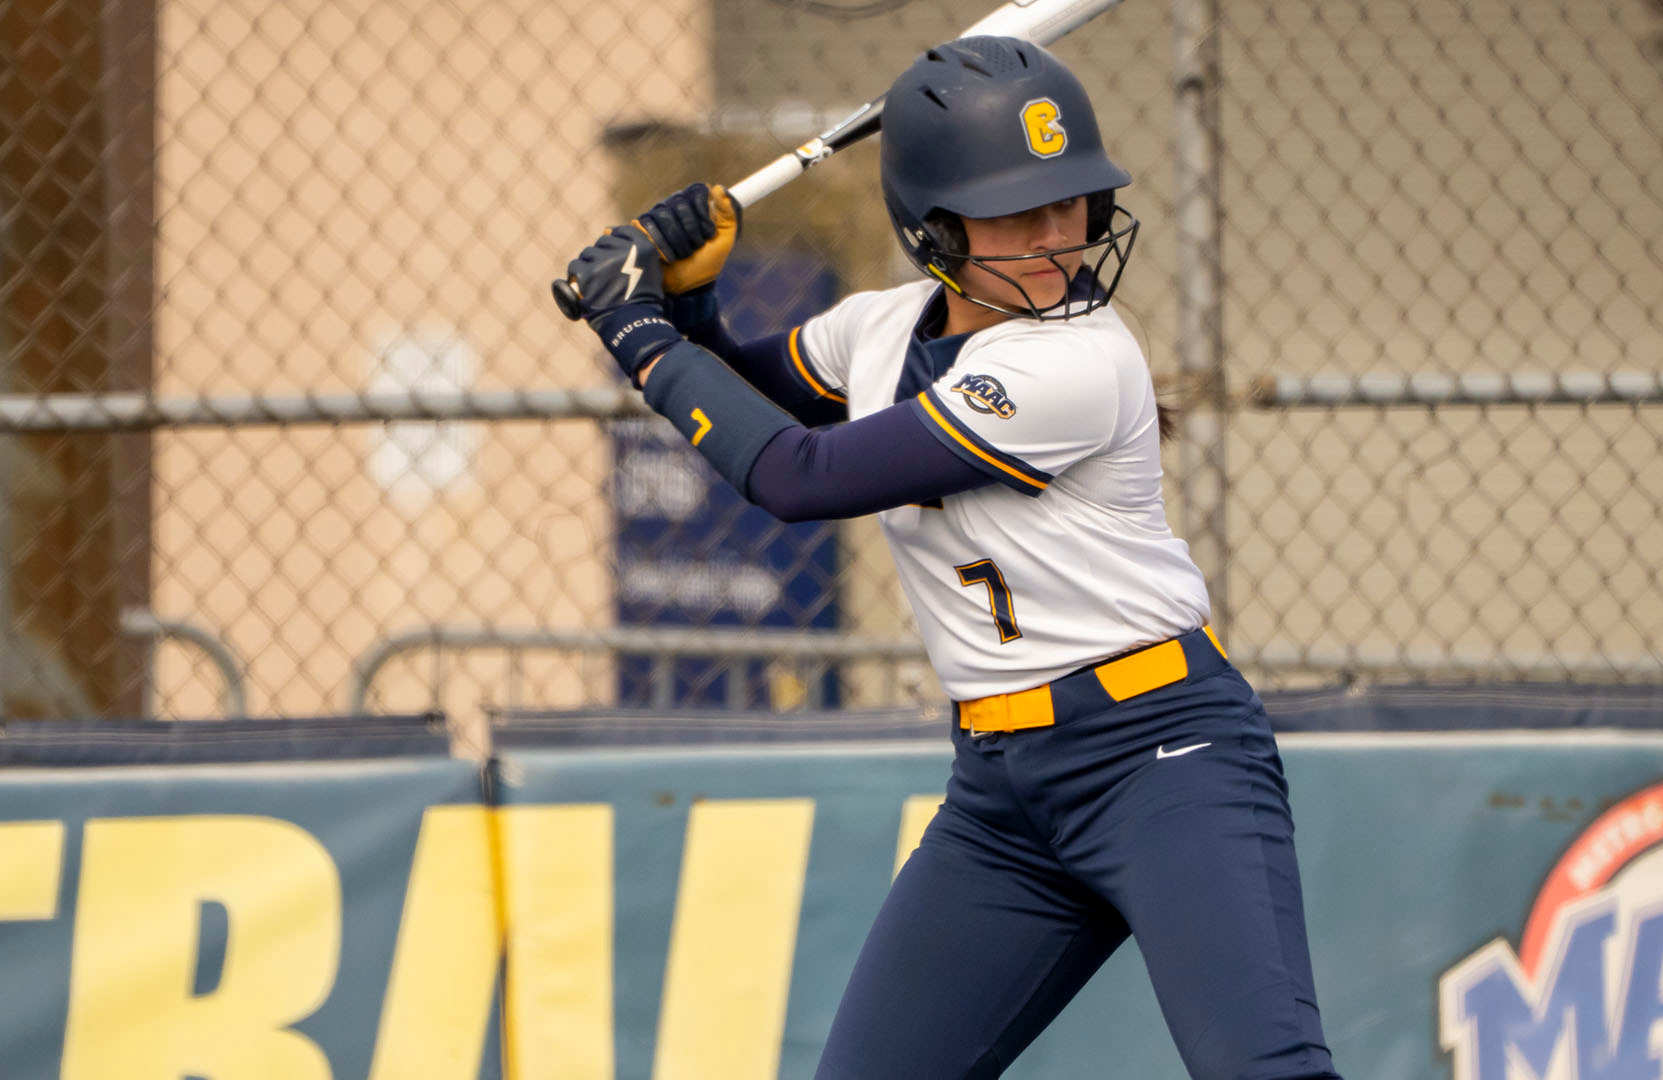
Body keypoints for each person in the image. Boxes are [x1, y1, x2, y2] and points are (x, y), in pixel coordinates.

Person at [557, 35, 1341, 1080]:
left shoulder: (1079, 358)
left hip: (1161, 759)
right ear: (931, 231)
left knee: (1265, 1071)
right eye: (1020, 212)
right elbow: (756, 396)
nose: (1060, 236)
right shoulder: (878, 329)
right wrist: (693, 307)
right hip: (1001, 794)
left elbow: (799, 478)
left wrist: (643, 333)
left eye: (1073, 202)